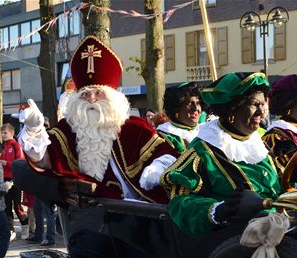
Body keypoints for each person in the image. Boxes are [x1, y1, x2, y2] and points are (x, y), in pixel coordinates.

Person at [18, 35, 178, 204]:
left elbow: (168, 155)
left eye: (98, 93)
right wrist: (34, 130)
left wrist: (157, 168)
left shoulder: (135, 128)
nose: (91, 99)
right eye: (85, 94)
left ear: (113, 98)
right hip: (88, 216)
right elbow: (43, 161)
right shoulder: (67, 129)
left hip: (137, 213)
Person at [161, 72, 281, 236]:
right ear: (232, 109)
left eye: (263, 104)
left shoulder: (260, 145)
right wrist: (220, 210)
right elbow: (179, 202)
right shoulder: (203, 150)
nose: (261, 112)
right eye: (254, 104)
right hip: (236, 242)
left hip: (280, 229)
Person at [157, 82, 202, 154]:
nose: (195, 108)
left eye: (198, 103)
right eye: (189, 104)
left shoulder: (206, 130)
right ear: (176, 108)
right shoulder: (165, 135)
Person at [0, 123, 27, 240]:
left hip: (15, 180)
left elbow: (21, 162)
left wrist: (7, 163)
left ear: (12, 133)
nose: (3, 135)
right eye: (2, 133)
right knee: (6, 206)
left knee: (17, 206)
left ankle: (25, 227)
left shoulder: (16, 145)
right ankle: (11, 231)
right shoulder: (0, 146)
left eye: (5, 132)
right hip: (3, 180)